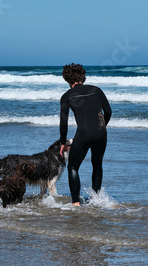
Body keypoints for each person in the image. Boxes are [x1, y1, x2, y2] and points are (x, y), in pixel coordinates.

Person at [59, 63, 112, 206]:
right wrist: (101, 127)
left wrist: (62, 143)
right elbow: (108, 112)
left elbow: (63, 123)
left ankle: (76, 202)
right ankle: (96, 199)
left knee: (73, 167)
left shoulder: (67, 96)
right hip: (101, 133)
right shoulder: (97, 90)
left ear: (67, 79)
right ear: (83, 77)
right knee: (97, 164)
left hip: (83, 134)